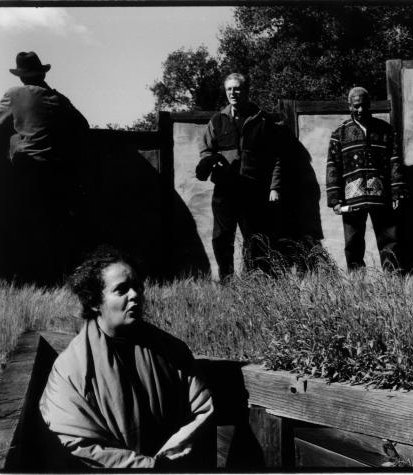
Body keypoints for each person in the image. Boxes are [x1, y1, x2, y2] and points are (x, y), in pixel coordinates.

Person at [39, 247, 214, 469]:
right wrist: (148, 467)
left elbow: (201, 408)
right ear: (94, 302)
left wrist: (166, 459)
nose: (135, 295)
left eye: (137, 286)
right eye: (121, 290)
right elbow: (75, 442)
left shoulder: (172, 350)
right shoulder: (70, 369)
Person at [0, 51, 89, 283]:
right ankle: (51, 279)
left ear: (21, 76)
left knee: (20, 225)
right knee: (51, 228)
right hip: (58, 174)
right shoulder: (60, 99)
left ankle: (22, 279)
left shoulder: (14, 94)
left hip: (27, 172)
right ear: (42, 72)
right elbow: (82, 126)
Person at [196, 73, 282, 281]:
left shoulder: (262, 120)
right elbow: (206, 150)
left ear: (246, 91)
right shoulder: (217, 120)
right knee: (221, 238)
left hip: (253, 190)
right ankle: (227, 281)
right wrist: (211, 161)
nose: (233, 93)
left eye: (237, 89)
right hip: (225, 190)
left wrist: (274, 187)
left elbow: (277, 157)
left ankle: (255, 282)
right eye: (229, 89)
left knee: (254, 239)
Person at [326, 87, 407, 271]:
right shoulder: (340, 133)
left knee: (389, 241)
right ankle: (357, 284)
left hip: (381, 196)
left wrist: (396, 193)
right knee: (353, 243)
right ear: (350, 106)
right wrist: (335, 199)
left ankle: (392, 282)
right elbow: (333, 166)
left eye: (364, 105)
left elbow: (395, 161)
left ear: (369, 105)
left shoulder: (385, 130)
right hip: (351, 197)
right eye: (356, 106)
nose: (360, 110)